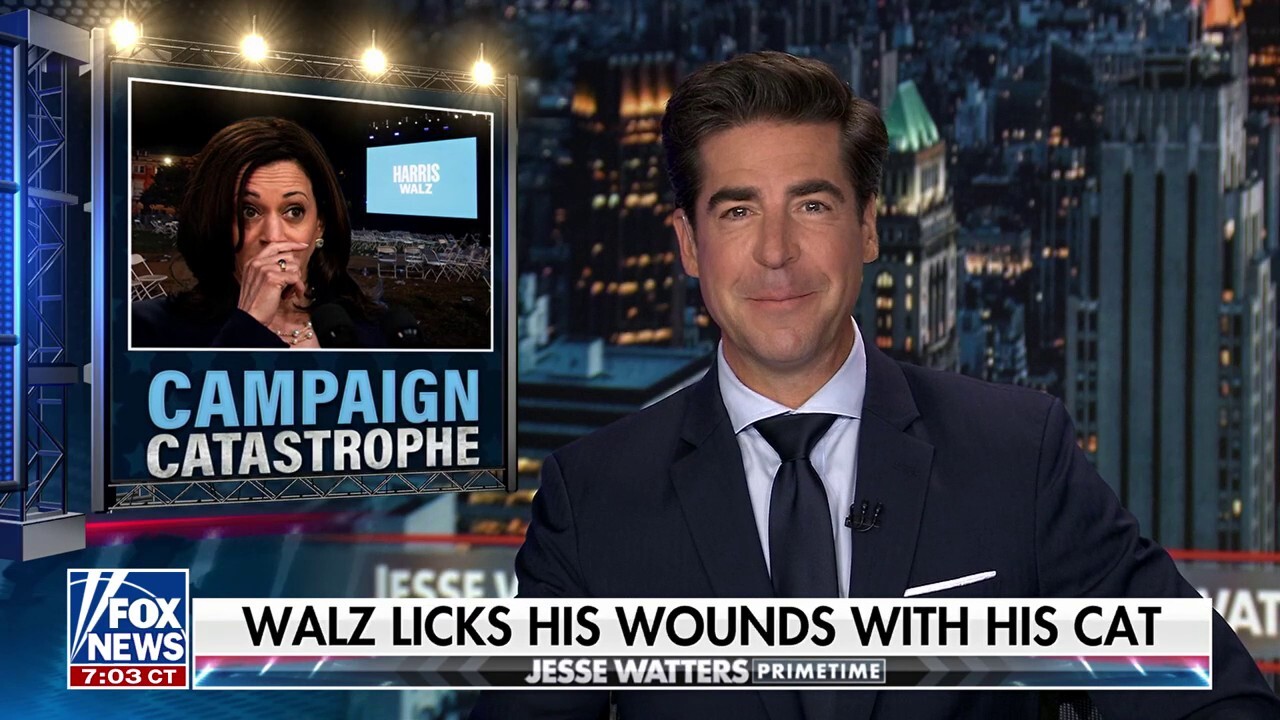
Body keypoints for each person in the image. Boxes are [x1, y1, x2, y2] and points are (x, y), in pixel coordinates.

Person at [471, 52, 1280, 719]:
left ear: (866, 226)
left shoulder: (1018, 456)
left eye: (812, 205)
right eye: (738, 212)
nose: (776, 252)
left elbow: (1216, 695)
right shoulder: (594, 500)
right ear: (688, 244)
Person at [132, 117, 384, 348]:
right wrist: (247, 324)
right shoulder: (149, 329)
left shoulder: (375, 330)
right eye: (249, 211)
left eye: (294, 211)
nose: (273, 236)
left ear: (320, 224)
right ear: (214, 221)